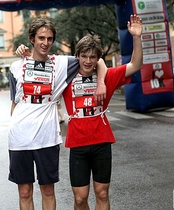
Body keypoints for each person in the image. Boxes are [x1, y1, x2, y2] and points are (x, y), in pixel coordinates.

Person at [8, 17, 107, 210]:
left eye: (50, 39)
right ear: (32, 39)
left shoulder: (63, 64)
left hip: (47, 138)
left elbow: (98, 59)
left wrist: (101, 82)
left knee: (47, 190)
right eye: (41, 38)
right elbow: (14, 103)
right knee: (25, 192)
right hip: (19, 138)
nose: (45, 43)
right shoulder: (16, 67)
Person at [61, 14, 143, 210]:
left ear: (98, 58)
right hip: (77, 144)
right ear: (77, 56)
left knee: (102, 193)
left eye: (92, 57)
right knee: (80, 198)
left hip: (101, 142)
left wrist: (136, 37)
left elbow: (136, 65)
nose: (88, 61)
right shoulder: (66, 76)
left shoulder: (108, 76)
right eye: (84, 56)